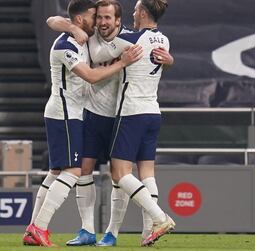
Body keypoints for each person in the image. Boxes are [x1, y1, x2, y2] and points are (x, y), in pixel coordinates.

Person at [46, 0, 174, 247]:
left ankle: (115, 232)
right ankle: (88, 230)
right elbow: (52, 21)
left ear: (119, 21)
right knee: (85, 169)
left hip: (121, 115)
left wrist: (167, 61)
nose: (103, 22)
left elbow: (102, 60)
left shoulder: (127, 40)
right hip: (93, 114)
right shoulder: (91, 35)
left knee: (119, 176)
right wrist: (73, 28)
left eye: (108, 18)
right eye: (100, 17)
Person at [22, 0, 142, 247]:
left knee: (55, 173)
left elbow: (54, 20)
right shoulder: (66, 45)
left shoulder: (83, 36)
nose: (97, 21)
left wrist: (70, 25)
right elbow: (91, 76)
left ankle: (32, 229)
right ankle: (39, 227)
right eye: (93, 17)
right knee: (73, 171)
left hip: (74, 113)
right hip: (65, 114)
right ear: (80, 20)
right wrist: (122, 63)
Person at [91, 0, 176, 247]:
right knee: (146, 173)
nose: (133, 12)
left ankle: (160, 218)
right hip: (153, 113)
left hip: (131, 113)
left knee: (118, 173)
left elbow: (98, 54)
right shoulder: (164, 40)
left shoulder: (129, 38)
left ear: (143, 12)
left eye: (136, 9)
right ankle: (146, 232)